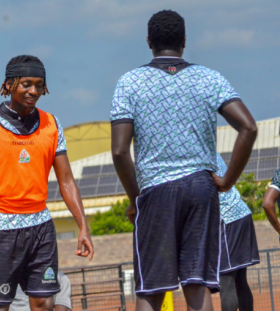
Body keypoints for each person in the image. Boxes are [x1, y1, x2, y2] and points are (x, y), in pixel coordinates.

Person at [109, 10, 257, 311]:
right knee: (197, 282)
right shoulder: (209, 78)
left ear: (149, 42)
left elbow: (120, 151)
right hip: (201, 189)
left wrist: (136, 198)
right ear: (185, 41)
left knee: (150, 288)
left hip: (155, 190)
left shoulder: (130, 83)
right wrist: (226, 181)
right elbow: (249, 127)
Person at [0, 55, 94, 311]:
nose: (33, 91)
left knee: (44, 302)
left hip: (40, 226)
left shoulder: (51, 124)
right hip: (1, 226)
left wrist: (83, 226)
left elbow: (66, 180)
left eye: (39, 85)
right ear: (10, 84)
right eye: (26, 84)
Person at [216, 153, 259, 311]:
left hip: (227, 218)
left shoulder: (196, 156)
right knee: (240, 281)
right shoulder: (209, 150)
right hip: (241, 214)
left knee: (226, 284)